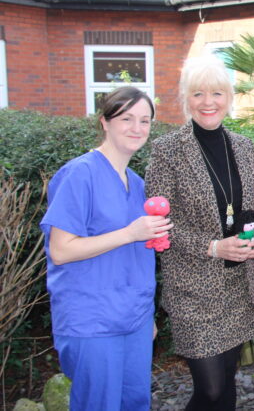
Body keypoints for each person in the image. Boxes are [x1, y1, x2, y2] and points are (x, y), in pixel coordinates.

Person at [145, 56, 254, 411]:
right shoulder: (167, 151)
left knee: (226, 382)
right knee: (211, 389)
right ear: (186, 98)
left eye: (216, 93)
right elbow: (160, 225)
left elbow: (252, 210)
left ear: (228, 97)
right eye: (198, 93)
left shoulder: (243, 147)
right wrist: (214, 247)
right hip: (193, 289)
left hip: (238, 284)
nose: (208, 102)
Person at [41, 86, 172, 410]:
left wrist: (146, 316)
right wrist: (129, 233)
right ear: (105, 121)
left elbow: (138, 258)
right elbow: (61, 250)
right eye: (126, 118)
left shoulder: (137, 184)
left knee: (135, 403)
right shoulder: (79, 174)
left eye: (144, 120)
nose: (137, 128)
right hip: (92, 322)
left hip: (134, 320)